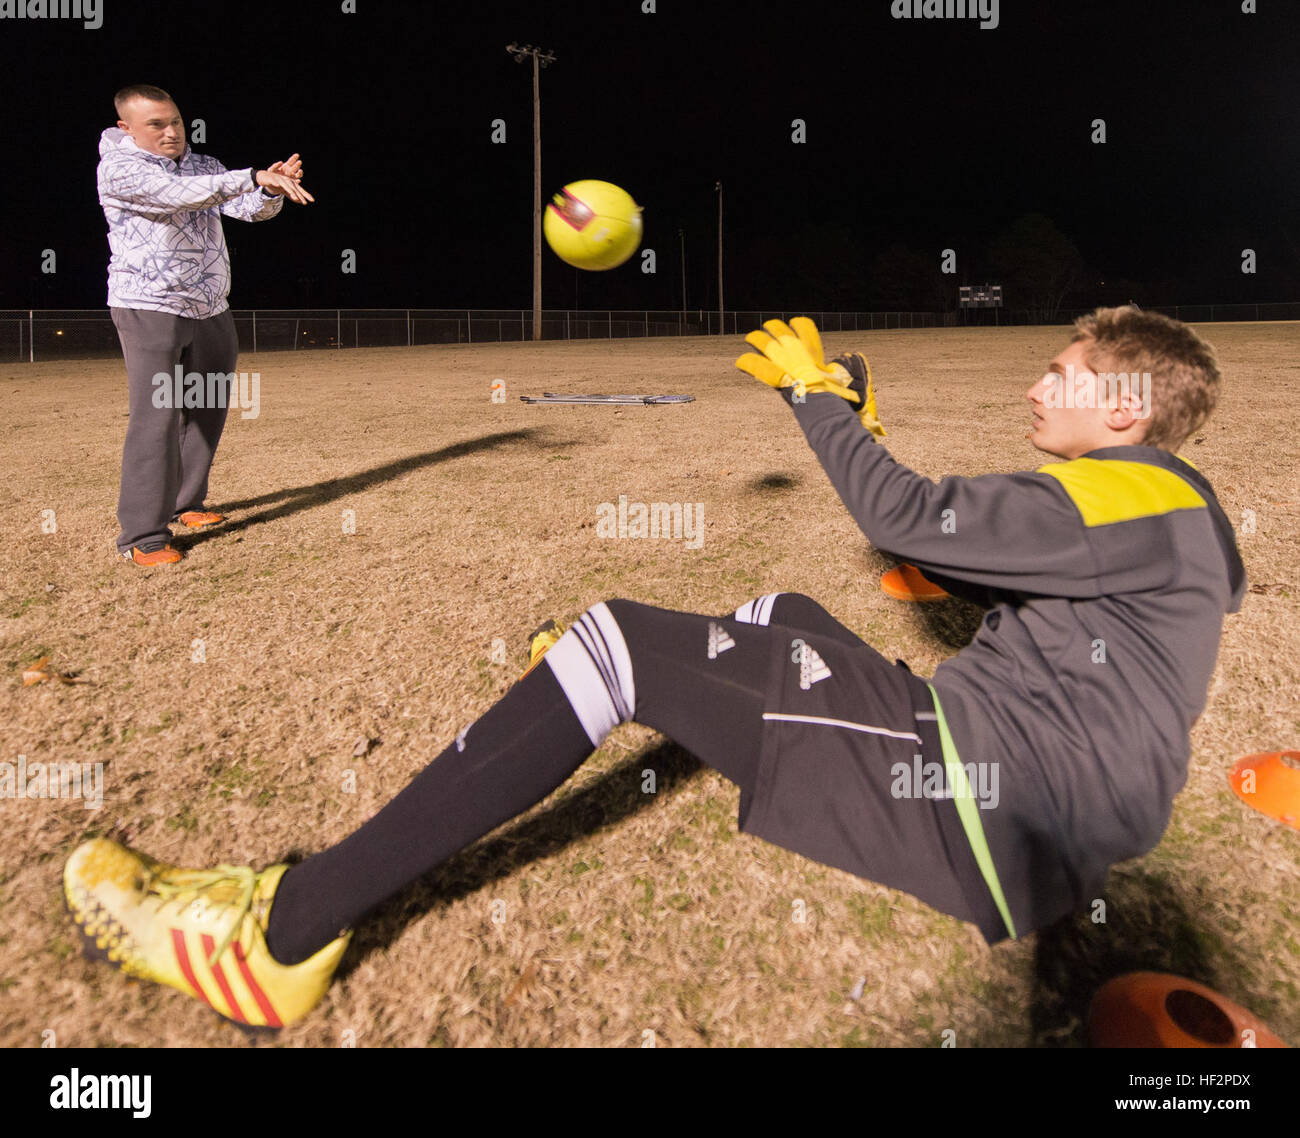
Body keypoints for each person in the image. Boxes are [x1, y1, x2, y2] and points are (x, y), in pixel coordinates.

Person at [63, 309, 1244, 1029]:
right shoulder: (1170, 520)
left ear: (1127, 405)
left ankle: (273, 940)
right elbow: (957, 567)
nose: (1037, 386)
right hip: (1032, 798)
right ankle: (580, 701)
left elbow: (913, 519)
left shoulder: (1127, 491)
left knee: (622, 638)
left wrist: (816, 406)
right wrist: (859, 433)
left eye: (1064, 373)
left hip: (989, 806)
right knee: (777, 610)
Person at [98, 84, 313, 566]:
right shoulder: (119, 167)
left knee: (207, 406)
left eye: (175, 120)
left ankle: (187, 503)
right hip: (149, 304)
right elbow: (174, 196)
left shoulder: (205, 165)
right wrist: (250, 175)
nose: (172, 131)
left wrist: (268, 189)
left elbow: (244, 209)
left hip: (211, 305)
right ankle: (143, 536)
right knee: (157, 414)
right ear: (125, 128)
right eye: (156, 124)